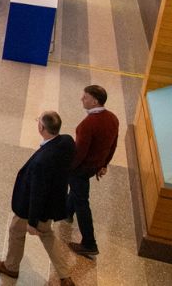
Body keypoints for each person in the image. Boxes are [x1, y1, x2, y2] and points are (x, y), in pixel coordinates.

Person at [0, 111, 76, 286]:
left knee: (16, 230)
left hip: (32, 209)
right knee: (47, 235)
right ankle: (65, 276)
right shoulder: (67, 141)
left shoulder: (41, 161)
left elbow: (37, 193)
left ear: (41, 128)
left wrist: (32, 222)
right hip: (53, 203)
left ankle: (11, 267)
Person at [65, 85, 119, 259]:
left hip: (81, 169)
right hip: (95, 166)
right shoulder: (112, 118)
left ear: (95, 101)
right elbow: (113, 144)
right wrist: (104, 164)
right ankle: (66, 212)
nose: (82, 99)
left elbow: (80, 153)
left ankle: (89, 243)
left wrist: (68, 168)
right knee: (76, 192)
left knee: (82, 202)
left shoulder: (88, 125)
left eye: (85, 97)